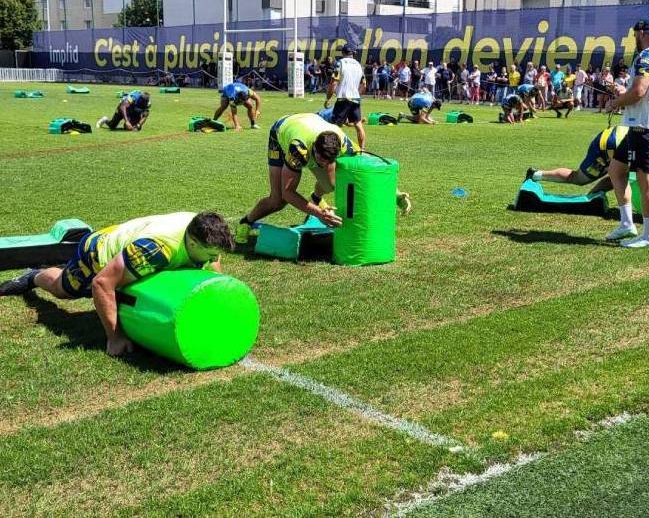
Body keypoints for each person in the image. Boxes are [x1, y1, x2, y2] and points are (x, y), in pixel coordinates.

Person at [0, 212, 234, 355]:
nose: (215, 259)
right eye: (211, 254)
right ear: (192, 243)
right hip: (97, 252)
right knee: (64, 289)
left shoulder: (206, 232)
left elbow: (213, 267)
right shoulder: (154, 250)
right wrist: (115, 338)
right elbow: (102, 284)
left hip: (131, 240)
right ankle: (34, 275)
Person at [236, 113, 411, 244]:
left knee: (331, 184)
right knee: (278, 200)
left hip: (310, 122)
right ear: (315, 150)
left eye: (329, 161)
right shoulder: (299, 149)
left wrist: (396, 195)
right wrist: (318, 214)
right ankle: (246, 222)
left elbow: (372, 166)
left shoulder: (343, 142)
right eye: (320, 159)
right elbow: (288, 192)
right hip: (282, 130)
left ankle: (316, 198)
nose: (324, 164)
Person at [602, 19, 649, 249]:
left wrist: (616, 102)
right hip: (646, 124)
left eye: (635, 34)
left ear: (641, 33)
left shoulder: (646, 56)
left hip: (645, 126)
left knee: (646, 181)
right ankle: (627, 223)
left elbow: (639, 91)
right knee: (616, 170)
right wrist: (623, 93)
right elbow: (643, 91)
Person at [526, 127, 649, 194]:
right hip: (611, 146)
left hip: (610, 137)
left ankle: (536, 174)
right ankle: (591, 197)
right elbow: (648, 171)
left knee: (614, 176)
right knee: (582, 178)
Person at [323, 44, 366, 150]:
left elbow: (333, 83)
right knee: (358, 125)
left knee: (335, 127)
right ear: (353, 53)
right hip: (355, 99)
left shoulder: (340, 63)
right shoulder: (358, 65)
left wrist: (328, 98)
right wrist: (357, 94)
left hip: (343, 99)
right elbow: (364, 84)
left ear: (343, 53)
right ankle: (362, 150)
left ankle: (332, 149)